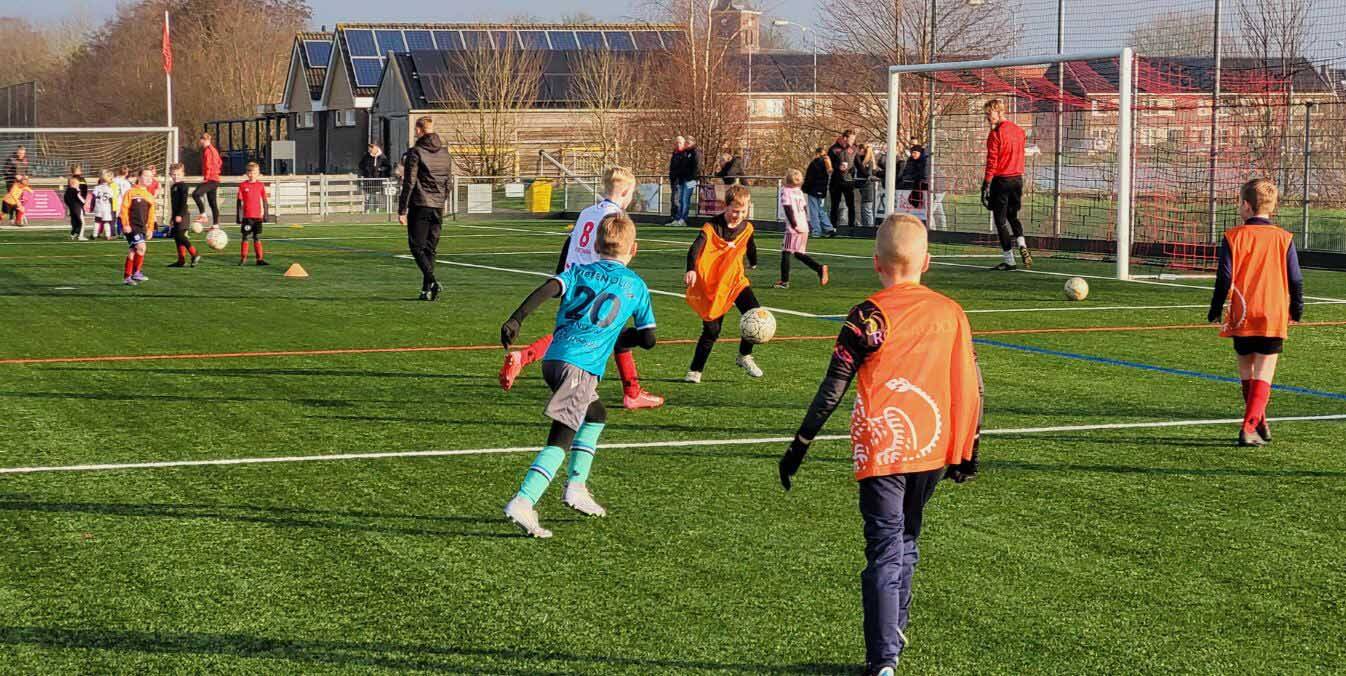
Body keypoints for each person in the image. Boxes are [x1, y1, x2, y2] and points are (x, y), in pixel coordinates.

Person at [778, 214, 983, 676]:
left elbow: (833, 386)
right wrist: (969, 448)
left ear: (876, 264)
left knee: (885, 548)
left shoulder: (867, 315)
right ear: (927, 262)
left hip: (882, 446)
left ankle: (883, 661)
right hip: (932, 444)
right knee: (907, 536)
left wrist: (800, 443)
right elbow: (974, 384)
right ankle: (895, 629)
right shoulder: (951, 311)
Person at [499, 213, 657, 538]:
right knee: (561, 437)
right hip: (580, 369)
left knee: (596, 413)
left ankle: (577, 487)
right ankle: (524, 500)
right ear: (634, 249)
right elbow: (648, 339)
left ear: (596, 245)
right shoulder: (636, 287)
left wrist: (516, 320)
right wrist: (620, 338)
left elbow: (548, 287)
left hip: (553, 360)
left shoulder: (579, 271)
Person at [498, 167, 665, 409]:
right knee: (594, 333)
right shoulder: (616, 218)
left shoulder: (588, 211)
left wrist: (561, 274)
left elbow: (570, 242)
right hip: (601, 281)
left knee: (589, 333)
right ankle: (524, 357)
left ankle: (632, 390)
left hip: (576, 277)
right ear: (627, 192)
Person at [1206, 178, 1303, 447]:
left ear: (1246, 206)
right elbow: (1295, 279)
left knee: (1247, 372)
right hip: (1273, 313)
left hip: (1242, 313)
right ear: (1272, 207)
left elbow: (1224, 278)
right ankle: (1252, 424)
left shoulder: (1233, 236)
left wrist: (1215, 309)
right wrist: (1297, 309)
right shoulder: (1285, 238)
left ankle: (1255, 423)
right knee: (1264, 373)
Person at [683, 184, 764, 382]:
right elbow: (695, 248)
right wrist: (691, 269)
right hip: (712, 284)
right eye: (735, 211)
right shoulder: (711, 227)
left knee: (754, 314)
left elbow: (750, 246)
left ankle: (744, 356)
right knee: (712, 330)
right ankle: (695, 370)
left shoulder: (747, 228)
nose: (738, 215)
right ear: (726, 207)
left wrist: (753, 262)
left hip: (736, 281)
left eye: (743, 211)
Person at [398, 116, 454, 300]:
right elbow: (449, 181)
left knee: (416, 246)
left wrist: (402, 209)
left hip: (420, 204)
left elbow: (410, 182)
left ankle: (432, 280)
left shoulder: (416, 152)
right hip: (438, 206)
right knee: (430, 249)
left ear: (419, 130)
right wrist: (442, 200)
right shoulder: (445, 153)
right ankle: (426, 290)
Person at [981, 99, 1033, 270]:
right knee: (1013, 216)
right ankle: (1022, 244)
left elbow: (992, 161)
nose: (987, 117)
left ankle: (1009, 260)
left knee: (1000, 220)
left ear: (998, 111)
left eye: (989, 113)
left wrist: (986, 183)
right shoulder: (1019, 131)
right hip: (1017, 179)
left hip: (1001, 180)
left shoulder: (995, 134)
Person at [775, 169, 829, 289]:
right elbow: (804, 208)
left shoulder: (786, 191)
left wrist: (793, 225)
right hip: (804, 225)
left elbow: (788, 208)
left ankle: (784, 282)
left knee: (786, 252)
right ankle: (819, 268)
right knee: (799, 253)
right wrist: (806, 222)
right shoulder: (799, 192)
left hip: (794, 227)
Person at [119, 169, 157, 286]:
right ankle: (136, 272)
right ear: (139, 177)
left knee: (133, 250)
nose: (149, 178)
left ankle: (128, 276)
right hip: (131, 226)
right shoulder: (131, 192)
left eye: (151, 177)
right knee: (141, 247)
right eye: (146, 176)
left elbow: (151, 215)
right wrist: (125, 224)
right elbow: (124, 209)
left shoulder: (150, 196)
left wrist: (150, 229)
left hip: (142, 227)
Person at [167, 163, 201, 268]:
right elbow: (174, 204)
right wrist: (172, 218)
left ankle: (195, 254)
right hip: (176, 215)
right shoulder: (173, 187)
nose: (175, 176)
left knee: (180, 235)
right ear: (170, 174)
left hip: (183, 215)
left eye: (178, 174)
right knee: (177, 237)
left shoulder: (183, 186)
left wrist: (180, 215)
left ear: (182, 174)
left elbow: (183, 201)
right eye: (173, 174)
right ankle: (181, 260)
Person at [235, 162, 269, 266]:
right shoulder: (242, 185)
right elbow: (239, 202)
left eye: (254, 172)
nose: (251, 174)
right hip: (247, 217)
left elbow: (264, 200)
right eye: (249, 172)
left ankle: (259, 259)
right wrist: (239, 216)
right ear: (247, 173)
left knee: (257, 237)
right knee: (245, 237)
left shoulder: (260, 185)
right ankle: (243, 258)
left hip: (257, 217)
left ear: (258, 173)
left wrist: (266, 214)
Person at [828, 130, 858, 227]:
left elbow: (857, 163)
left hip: (848, 181)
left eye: (854, 138)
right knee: (835, 205)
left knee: (851, 205)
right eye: (852, 138)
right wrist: (837, 167)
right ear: (845, 138)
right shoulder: (833, 149)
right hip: (836, 181)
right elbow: (828, 165)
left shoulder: (854, 148)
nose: (853, 140)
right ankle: (833, 227)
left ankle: (851, 226)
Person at [803, 147, 835, 237]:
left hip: (813, 189)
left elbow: (809, 177)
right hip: (822, 190)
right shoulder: (827, 163)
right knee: (821, 210)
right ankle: (829, 228)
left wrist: (805, 188)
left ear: (817, 153)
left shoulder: (815, 163)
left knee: (814, 211)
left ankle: (816, 231)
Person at [193, 132, 223, 226]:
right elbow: (220, 162)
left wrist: (207, 177)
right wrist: (217, 171)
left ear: (204, 140)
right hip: (215, 178)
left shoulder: (207, 151)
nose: (200, 142)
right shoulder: (214, 150)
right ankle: (215, 225)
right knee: (212, 202)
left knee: (196, 194)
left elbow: (208, 165)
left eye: (201, 140)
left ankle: (203, 214)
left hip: (211, 179)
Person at [359, 143, 392, 212]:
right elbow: (360, 165)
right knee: (367, 195)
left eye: (371, 148)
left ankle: (376, 209)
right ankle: (367, 209)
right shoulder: (366, 156)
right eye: (369, 149)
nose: (369, 150)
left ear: (375, 148)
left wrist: (380, 169)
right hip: (368, 178)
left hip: (377, 179)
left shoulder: (382, 157)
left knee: (376, 194)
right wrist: (365, 170)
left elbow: (388, 166)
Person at [896, 144, 929, 210]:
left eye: (915, 153)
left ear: (920, 153)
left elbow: (922, 174)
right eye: (912, 153)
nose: (913, 154)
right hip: (912, 185)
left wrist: (909, 177)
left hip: (923, 187)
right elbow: (907, 171)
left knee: (926, 207)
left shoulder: (925, 161)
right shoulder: (910, 160)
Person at [854, 144, 878, 227]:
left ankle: (869, 227)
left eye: (858, 150)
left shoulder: (869, 162)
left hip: (867, 187)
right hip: (862, 186)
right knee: (864, 209)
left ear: (862, 150)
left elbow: (865, 172)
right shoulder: (862, 160)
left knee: (867, 208)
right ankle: (865, 226)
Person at [92, 171, 117, 240]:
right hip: (106, 207)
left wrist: (92, 206)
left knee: (97, 220)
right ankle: (108, 235)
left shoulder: (96, 188)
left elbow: (93, 197)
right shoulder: (110, 188)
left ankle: (94, 235)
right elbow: (112, 199)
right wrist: (112, 208)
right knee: (106, 222)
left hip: (98, 207)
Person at [64, 176, 88, 240]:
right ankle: (81, 236)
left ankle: (72, 235)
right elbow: (80, 199)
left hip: (71, 209)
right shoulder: (76, 191)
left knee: (75, 223)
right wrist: (83, 201)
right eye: (78, 184)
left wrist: (69, 206)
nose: (78, 185)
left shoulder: (67, 192)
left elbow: (66, 200)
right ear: (73, 184)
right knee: (82, 222)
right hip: (78, 208)